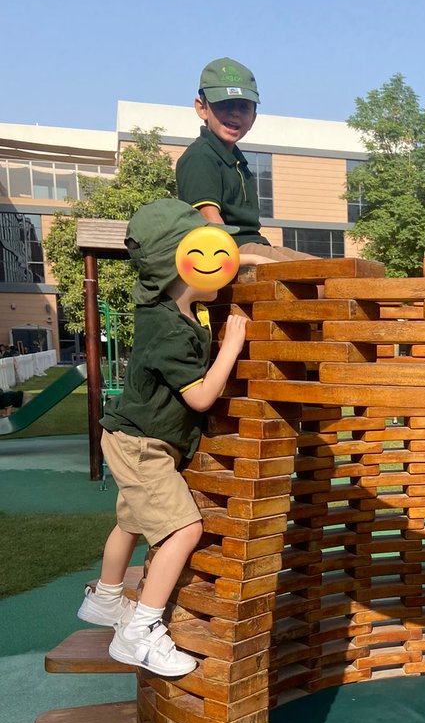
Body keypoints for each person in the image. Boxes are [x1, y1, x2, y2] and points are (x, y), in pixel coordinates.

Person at [77, 199, 247, 677]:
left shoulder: (165, 308)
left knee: (130, 522)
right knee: (182, 529)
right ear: (184, 260)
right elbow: (200, 399)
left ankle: (106, 602)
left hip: (132, 436)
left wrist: (255, 255)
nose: (224, 267)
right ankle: (140, 632)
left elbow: (225, 260)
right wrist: (231, 348)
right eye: (212, 255)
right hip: (143, 445)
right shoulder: (170, 330)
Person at [175, 57, 313, 267]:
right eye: (225, 104)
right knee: (321, 282)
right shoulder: (201, 156)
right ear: (202, 108)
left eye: (243, 107)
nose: (235, 113)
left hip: (256, 244)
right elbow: (212, 226)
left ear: (254, 117)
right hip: (230, 251)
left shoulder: (238, 161)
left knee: (342, 270)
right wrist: (249, 259)